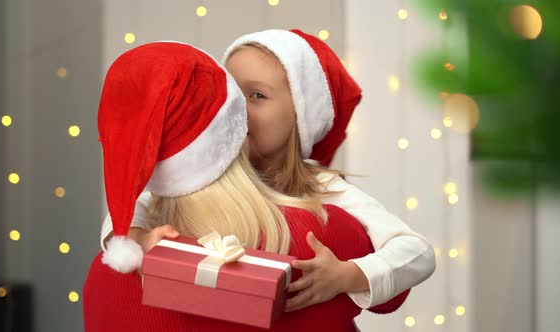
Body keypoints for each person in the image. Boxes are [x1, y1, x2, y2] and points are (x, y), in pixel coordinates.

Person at [101, 29, 436, 312]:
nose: (236, 104)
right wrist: (138, 239)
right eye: (229, 88)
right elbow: (132, 202)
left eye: (257, 95)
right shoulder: (196, 170)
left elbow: (416, 251)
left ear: (301, 119)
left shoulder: (323, 186)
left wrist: (349, 275)